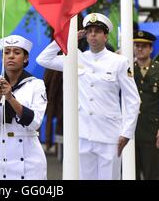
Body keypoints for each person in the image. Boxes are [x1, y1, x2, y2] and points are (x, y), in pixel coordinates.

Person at [36, 13, 140, 180]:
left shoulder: (119, 62)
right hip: (83, 133)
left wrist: (127, 132)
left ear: (105, 36)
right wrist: (67, 39)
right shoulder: (76, 58)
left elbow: (132, 99)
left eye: (97, 31)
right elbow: (43, 59)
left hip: (109, 135)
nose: (92, 35)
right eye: (89, 31)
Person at [0, 35, 47, 180]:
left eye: (17, 52)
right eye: (7, 52)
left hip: (29, 160)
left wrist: (10, 98)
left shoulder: (36, 85)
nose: (11, 56)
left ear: (25, 58)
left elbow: (35, 123)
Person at [134, 29, 159, 180]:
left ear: (151, 48)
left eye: (144, 45)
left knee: (151, 174)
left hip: (152, 130)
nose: (139, 49)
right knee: (130, 172)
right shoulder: (126, 68)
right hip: (130, 128)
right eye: (137, 45)